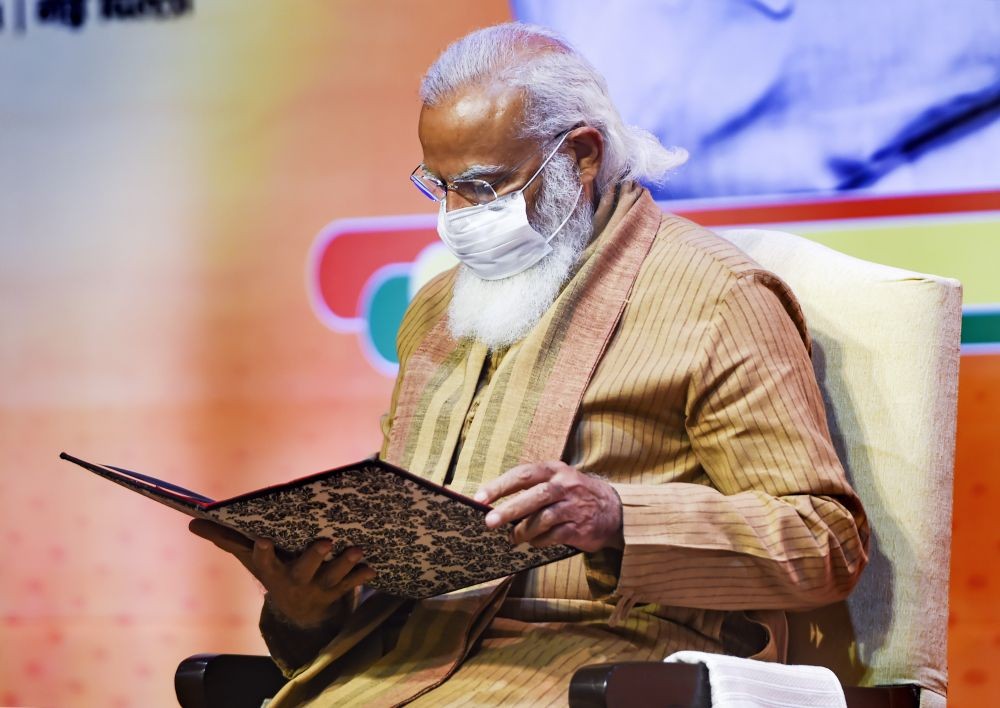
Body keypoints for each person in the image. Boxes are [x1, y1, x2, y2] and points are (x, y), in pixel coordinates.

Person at [190, 22, 869, 707]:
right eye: (440, 185)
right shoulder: (436, 310)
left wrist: (618, 516)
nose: (454, 216)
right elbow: (404, 555)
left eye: (482, 188)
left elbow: (824, 542)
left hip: (600, 669)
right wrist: (310, 603)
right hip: (397, 669)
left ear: (580, 154)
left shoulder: (717, 297)